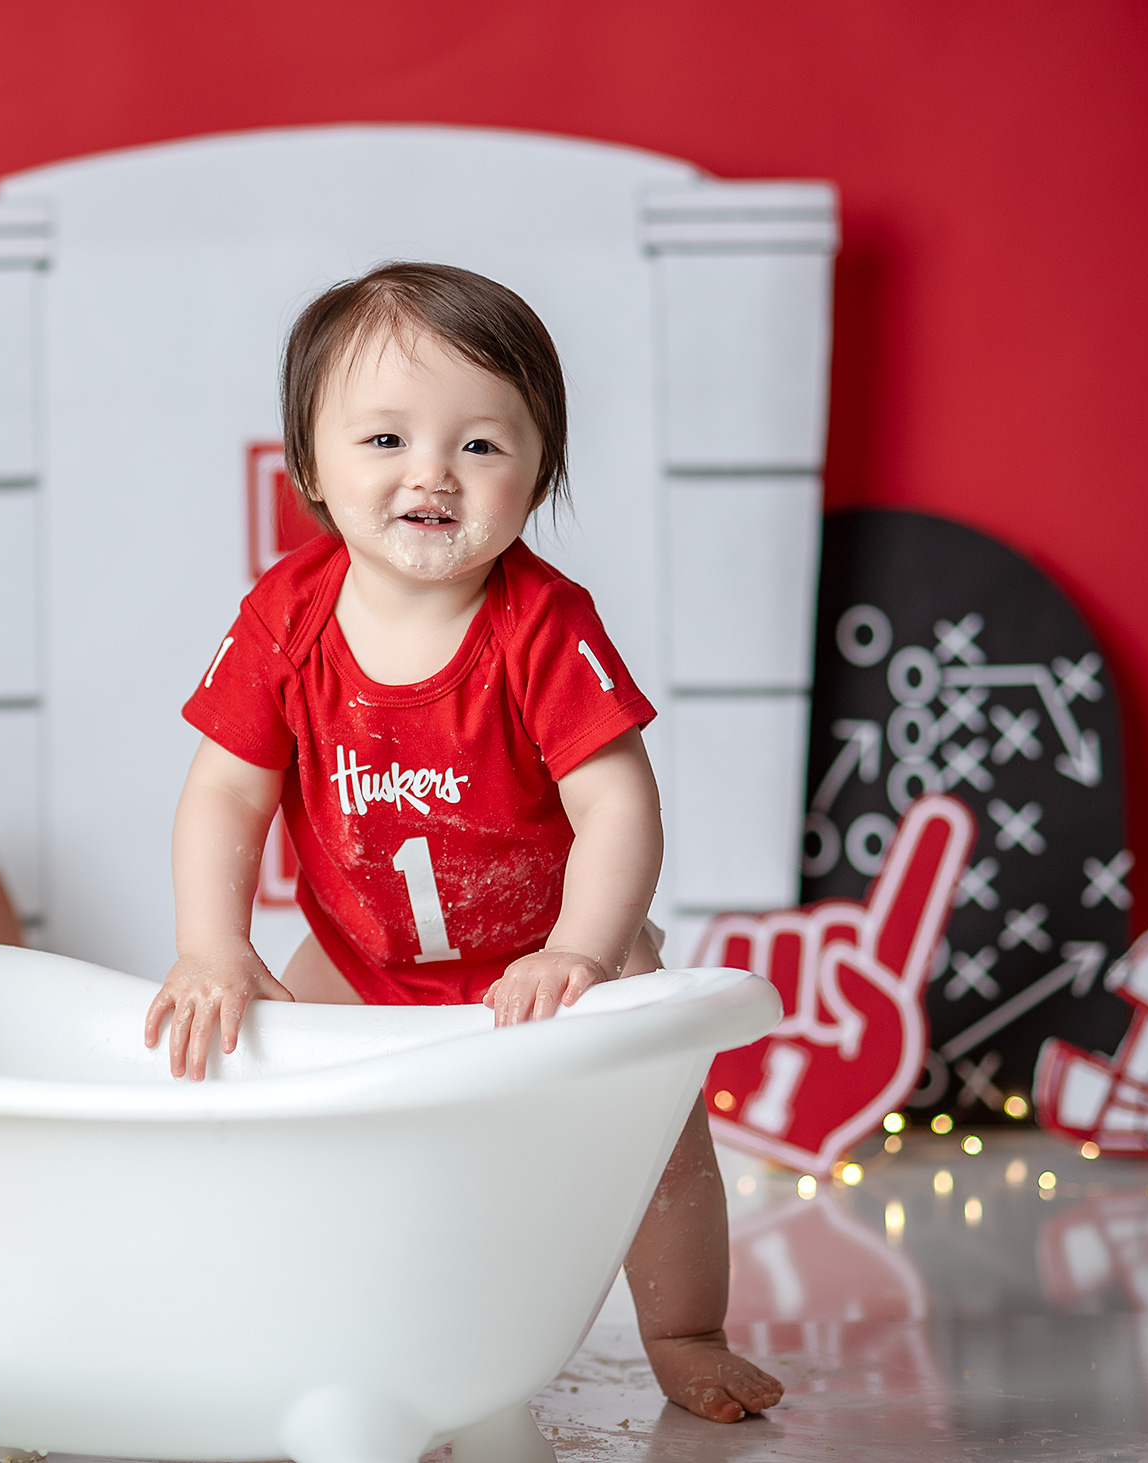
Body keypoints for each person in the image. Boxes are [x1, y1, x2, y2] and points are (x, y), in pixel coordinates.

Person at [145, 262, 783, 1425]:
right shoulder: (284, 619)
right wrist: (210, 943)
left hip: (544, 954)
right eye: (384, 438)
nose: (430, 472)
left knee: (654, 1131)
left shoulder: (540, 624)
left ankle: (684, 1326)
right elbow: (225, 793)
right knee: (272, 1107)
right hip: (359, 953)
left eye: (480, 445)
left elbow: (616, 806)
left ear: (539, 473)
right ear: (309, 468)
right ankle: (311, 1332)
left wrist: (583, 948)